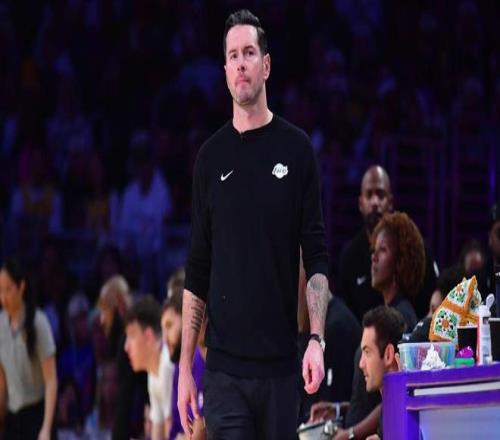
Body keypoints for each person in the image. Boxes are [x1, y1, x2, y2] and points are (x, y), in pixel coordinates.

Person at [179, 9, 330, 440]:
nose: (241, 63)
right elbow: (197, 267)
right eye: (233, 56)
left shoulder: (297, 149)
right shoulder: (209, 159)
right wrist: (185, 366)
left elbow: (316, 255)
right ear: (225, 71)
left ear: (266, 65)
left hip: (281, 368)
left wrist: (316, 340)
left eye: (249, 53)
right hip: (224, 373)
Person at [337, 165, 437, 322]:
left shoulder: (415, 249)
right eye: (369, 195)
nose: (375, 202)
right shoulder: (349, 257)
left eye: (380, 194)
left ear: (390, 202)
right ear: (360, 203)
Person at [0, 258, 57, 439]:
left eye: (8, 289)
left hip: (37, 416)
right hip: (12, 418)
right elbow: (2, 380)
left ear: (21, 287)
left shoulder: (38, 322)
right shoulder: (0, 325)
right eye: (0, 290)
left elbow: (51, 381)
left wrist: (46, 428)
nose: (3, 297)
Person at [98, 275, 148, 440]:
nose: (101, 320)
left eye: (105, 310)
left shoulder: (126, 342)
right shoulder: (135, 330)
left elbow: (124, 401)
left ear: (119, 302)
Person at [124, 296, 174, 440]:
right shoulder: (153, 373)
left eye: (131, 336)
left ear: (148, 336)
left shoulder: (167, 365)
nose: (126, 347)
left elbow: (175, 433)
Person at [161, 289, 205, 440]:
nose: (165, 339)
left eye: (169, 325)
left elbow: (202, 431)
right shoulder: (178, 370)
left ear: (186, 318)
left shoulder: (202, 359)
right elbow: (174, 431)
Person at [371, 211, 424, 331]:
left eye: (382, 249)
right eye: (374, 250)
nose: (374, 257)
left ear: (400, 260)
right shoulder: (391, 312)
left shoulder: (401, 317)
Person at [358, 306, 405, 440]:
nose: (361, 364)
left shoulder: (405, 409)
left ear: (388, 354)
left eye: (367, 352)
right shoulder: (390, 403)